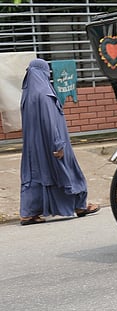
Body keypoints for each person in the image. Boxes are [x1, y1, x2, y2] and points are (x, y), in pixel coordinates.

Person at [18, 59, 99, 225]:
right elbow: (50, 123)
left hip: (34, 147)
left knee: (36, 177)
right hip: (51, 145)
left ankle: (28, 213)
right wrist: (58, 145)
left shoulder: (27, 96)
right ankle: (80, 206)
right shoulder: (44, 95)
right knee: (68, 172)